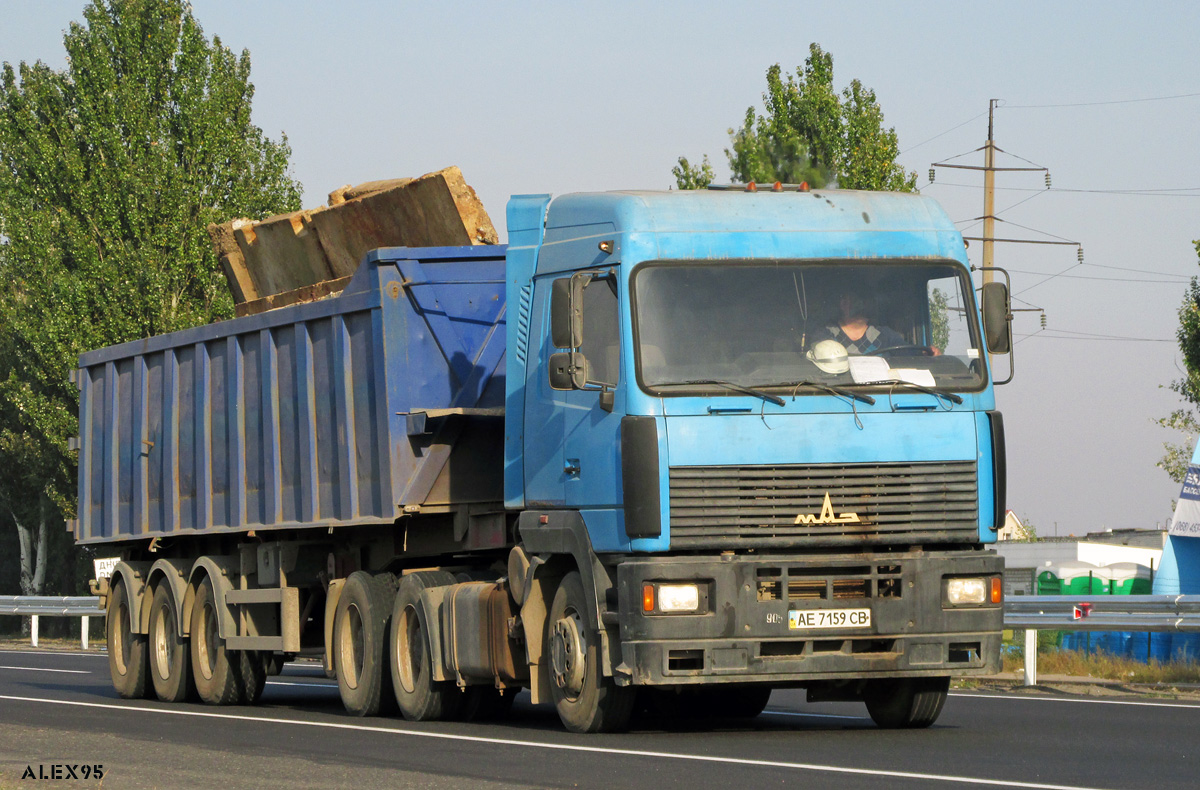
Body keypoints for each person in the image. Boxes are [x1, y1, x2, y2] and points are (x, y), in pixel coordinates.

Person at [812, 291, 906, 355]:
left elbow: (913, 358)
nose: (861, 306)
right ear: (843, 304)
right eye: (856, 301)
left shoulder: (885, 335)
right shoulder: (826, 334)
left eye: (864, 301)